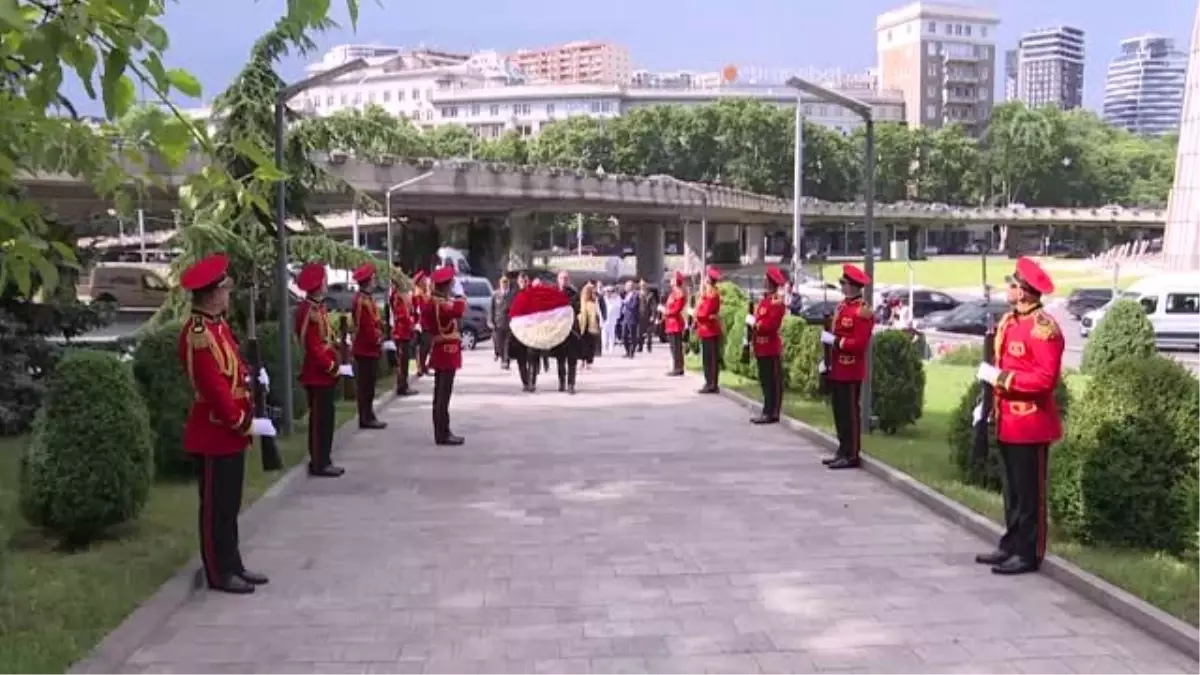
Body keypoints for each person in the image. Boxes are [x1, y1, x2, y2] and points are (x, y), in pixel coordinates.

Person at [178, 253, 274, 595]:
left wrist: (252, 378)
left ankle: (233, 563)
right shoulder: (199, 333)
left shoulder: (218, 327)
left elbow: (232, 370)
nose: (228, 296)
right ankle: (218, 572)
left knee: (230, 505)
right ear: (213, 295)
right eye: (224, 290)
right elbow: (213, 386)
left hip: (231, 430)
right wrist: (240, 420)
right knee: (215, 508)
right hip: (215, 430)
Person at [973, 257, 1064, 576]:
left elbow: (1044, 380)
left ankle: (1028, 553)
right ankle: (1010, 543)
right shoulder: (1010, 322)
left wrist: (1002, 380)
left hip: (1031, 424)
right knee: (1011, 490)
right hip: (1008, 421)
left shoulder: (1044, 329)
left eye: (1012, 284)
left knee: (1030, 495)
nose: (1007, 288)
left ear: (1025, 292)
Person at [820, 264, 875, 470]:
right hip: (837, 367)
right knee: (839, 412)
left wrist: (836, 342)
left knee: (850, 414)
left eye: (844, 283)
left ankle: (851, 454)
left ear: (853, 286)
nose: (841, 286)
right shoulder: (842, 307)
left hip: (851, 369)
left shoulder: (862, 311)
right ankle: (842, 449)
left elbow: (859, 344)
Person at [295, 263, 348, 478]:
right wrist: (331, 365)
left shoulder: (318, 308)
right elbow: (312, 345)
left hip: (325, 373)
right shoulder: (308, 310)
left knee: (327, 419)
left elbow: (326, 339)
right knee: (319, 421)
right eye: (324, 280)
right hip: (317, 373)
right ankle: (318, 461)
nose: (326, 284)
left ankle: (325, 458)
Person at [428, 265, 466, 445]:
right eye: (451, 283)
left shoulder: (432, 301)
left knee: (440, 394)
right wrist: (459, 295)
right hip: (446, 352)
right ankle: (442, 433)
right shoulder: (441, 304)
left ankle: (442, 430)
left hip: (439, 350)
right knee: (444, 395)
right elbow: (458, 310)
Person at [350, 263, 387, 430]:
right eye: (372, 278)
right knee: (365, 386)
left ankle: (369, 414)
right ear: (367, 281)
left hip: (370, 348)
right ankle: (365, 417)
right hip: (365, 348)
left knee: (370, 385)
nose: (374, 281)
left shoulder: (367, 298)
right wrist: (378, 338)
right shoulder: (361, 301)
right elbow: (365, 326)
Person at [750, 266, 787, 425]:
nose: (763, 281)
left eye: (766, 279)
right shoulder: (765, 300)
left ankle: (773, 412)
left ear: (770, 282)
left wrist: (756, 324)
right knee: (765, 381)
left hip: (770, 347)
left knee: (773, 381)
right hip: (761, 347)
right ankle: (766, 410)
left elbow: (771, 325)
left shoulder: (776, 302)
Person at [694, 266, 723, 394]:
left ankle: (711, 383)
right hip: (705, 329)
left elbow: (704, 313)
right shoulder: (707, 293)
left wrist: (698, 313)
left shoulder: (712, 294)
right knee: (707, 358)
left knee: (710, 359)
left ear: (709, 280)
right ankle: (709, 382)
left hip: (710, 330)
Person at [509, 272, 540, 392]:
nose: (523, 283)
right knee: (521, 359)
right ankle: (525, 382)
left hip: (532, 330)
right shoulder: (514, 295)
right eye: (521, 281)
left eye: (525, 280)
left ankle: (532, 382)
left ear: (528, 281)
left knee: (532, 357)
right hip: (519, 331)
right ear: (518, 282)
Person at [552, 270, 581, 393]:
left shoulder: (573, 293)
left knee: (572, 359)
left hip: (571, 330)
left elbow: (577, 309)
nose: (564, 280)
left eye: (566, 278)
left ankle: (571, 385)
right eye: (561, 278)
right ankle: (562, 383)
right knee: (560, 359)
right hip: (558, 331)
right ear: (558, 280)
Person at [389, 275, 417, 396]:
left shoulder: (399, 295)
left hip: (404, 332)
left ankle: (404, 384)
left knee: (404, 360)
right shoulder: (398, 297)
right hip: (401, 332)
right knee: (402, 361)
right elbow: (402, 315)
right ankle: (402, 386)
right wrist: (411, 323)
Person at [662, 271, 687, 376]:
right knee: (673, 347)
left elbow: (676, 310)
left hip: (675, 323)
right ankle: (676, 366)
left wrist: (665, 311)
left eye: (673, 278)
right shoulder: (673, 293)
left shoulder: (680, 294)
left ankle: (678, 368)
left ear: (676, 281)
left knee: (677, 347)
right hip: (670, 323)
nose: (671, 280)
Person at [577, 283, 602, 369]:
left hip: (591, 326)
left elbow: (598, 314)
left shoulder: (594, 302)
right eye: (587, 291)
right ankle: (582, 361)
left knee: (590, 345)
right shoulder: (581, 301)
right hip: (582, 325)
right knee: (581, 345)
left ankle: (588, 362)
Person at [412, 271, 432, 378]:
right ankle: (420, 368)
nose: (425, 282)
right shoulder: (418, 294)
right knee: (421, 347)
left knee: (426, 346)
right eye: (423, 280)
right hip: (420, 324)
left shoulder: (424, 292)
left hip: (426, 323)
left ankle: (424, 366)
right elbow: (422, 308)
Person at [491, 276, 513, 369]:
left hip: (509, 323)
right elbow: (492, 308)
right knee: (499, 343)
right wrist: (491, 321)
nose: (504, 285)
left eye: (506, 283)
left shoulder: (511, 295)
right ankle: (501, 357)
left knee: (507, 343)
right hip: (498, 322)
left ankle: (506, 360)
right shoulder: (496, 294)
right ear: (500, 284)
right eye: (503, 283)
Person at [620, 280, 640, 358]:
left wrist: (626, 303)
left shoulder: (635, 295)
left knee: (632, 336)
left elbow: (633, 306)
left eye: (627, 286)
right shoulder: (626, 295)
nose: (625, 287)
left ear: (631, 287)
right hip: (625, 317)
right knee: (624, 335)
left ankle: (632, 352)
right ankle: (627, 351)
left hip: (632, 318)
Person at [601, 285, 621, 355]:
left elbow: (618, 306)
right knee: (604, 333)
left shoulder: (616, 298)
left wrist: (615, 297)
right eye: (607, 291)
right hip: (604, 319)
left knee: (612, 333)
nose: (608, 293)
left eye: (610, 291)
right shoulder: (603, 299)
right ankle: (604, 346)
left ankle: (611, 347)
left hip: (612, 319)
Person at [637, 280, 655, 353]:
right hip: (640, 316)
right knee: (640, 333)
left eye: (644, 285)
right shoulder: (637, 294)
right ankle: (640, 347)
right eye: (641, 285)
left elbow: (653, 306)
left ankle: (649, 347)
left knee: (649, 333)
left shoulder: (650, 295)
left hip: (648, 316)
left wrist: (653, 315)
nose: (643, 286)